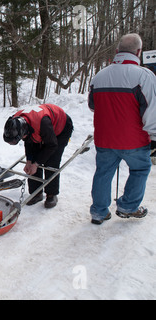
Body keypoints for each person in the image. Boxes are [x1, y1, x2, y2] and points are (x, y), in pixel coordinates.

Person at [88, 33, 156, 225]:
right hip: (133, 140)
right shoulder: (144, 76)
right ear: (139, 52)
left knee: (103, 172)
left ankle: (99, 212)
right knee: (141, 169)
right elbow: (152, 110)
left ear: (117, 51)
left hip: (104, 138)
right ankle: (128, 207)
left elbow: (93, 106)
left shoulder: (99, 76)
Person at [3, 104, 73, 208]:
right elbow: (29, 142)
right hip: (39, 127)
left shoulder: (42, 123)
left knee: (51, 160)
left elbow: (52, 145)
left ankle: (51, 194)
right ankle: (37, 193)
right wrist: (29, 161)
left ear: (24, 131)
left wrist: (36, 164)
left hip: (61, 128)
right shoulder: (15, 122)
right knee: (35, 157)